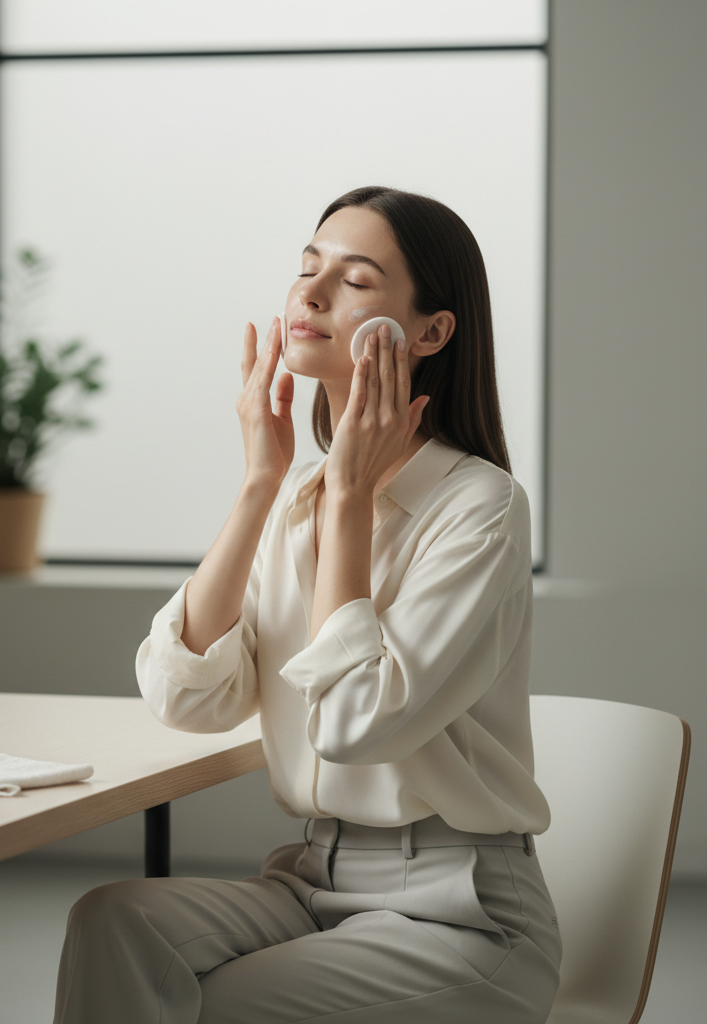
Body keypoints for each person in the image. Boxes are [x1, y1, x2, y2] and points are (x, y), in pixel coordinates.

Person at [52, 186, 562, 1024]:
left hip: (462, 914)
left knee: (213, 1004)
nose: (312, 294)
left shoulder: (481, 507)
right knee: (114, 923)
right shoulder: (299, 497)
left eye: (355, 280)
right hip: (311, 881)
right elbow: (187, 698)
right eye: (306, 268)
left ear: (431, 332)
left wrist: (350, 501)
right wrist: (260, 483)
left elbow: (354, 726)